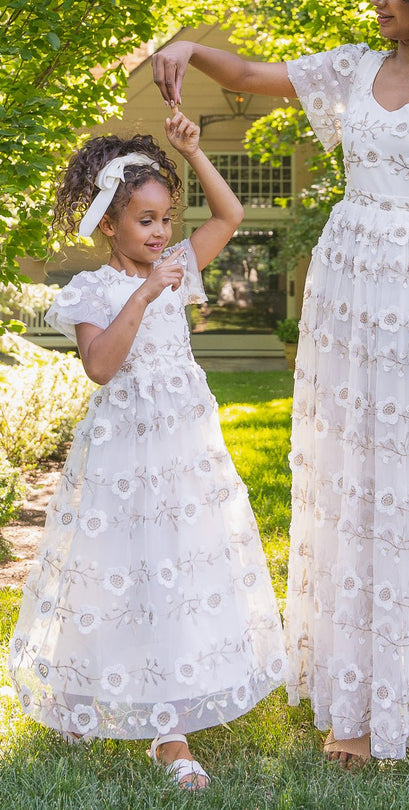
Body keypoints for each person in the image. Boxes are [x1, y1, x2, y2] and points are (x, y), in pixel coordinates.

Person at [152, 0, 409, 803]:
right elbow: (257, 78)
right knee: (355, 488)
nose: (375, 4)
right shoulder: (351, 69)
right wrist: (190, 46)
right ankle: (362, 706)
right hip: (351, 296)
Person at [8, 110, 287, 790]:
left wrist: (195, 153)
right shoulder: (94, 289)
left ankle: (170, 719)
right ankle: (96, 694)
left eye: (166, 219)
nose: (162, 233)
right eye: (146, 221)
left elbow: (230, 214)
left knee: (178, 565)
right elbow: (101, 365)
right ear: (110, 224)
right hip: (122, 454)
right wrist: (144, 291)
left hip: (183, 447)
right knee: (119, 568)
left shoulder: (176, 265)